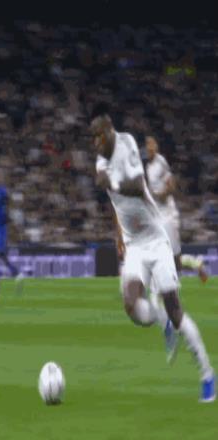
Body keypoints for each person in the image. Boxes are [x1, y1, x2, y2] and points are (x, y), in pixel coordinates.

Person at [90, 105, 215, 402]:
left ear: (109, 130)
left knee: (176, 309)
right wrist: (118, 234)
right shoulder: (101, 159)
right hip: (134, 244)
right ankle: (161, 319)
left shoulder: (127, 144)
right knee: (131, 305)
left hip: (156, 239)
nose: (95, 143)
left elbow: (135, 186)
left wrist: (112, 181)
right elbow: (112, 197)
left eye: (98, 136)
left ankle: (207, 374)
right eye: (92, 138)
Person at [145, 136, 207, 281]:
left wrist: (160, 195)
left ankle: (188, 269)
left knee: (174, 258)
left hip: (168, 216)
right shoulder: (148, 167)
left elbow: (171, 186)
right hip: (158, 216)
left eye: (152, 144)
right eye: (147, 145)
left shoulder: (161, 162)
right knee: (165, 256)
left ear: (156, 147)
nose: (149, 148)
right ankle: (195, 264)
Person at [0, 166, 23, 308]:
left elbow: (9, 205)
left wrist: (9, 220)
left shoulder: (3, 191)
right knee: (3, 259)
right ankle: (17, 274)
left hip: (1, 229)